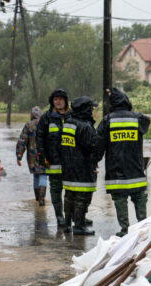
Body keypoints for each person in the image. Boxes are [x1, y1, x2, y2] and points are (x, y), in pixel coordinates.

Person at [95, 88, 150, 237]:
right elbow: (147, 122)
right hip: (135, 167)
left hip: (115, 168)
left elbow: (98, 143)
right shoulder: (138, 118)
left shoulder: (107, 120)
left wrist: (95, 160)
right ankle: (143, 226)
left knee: (120, 199)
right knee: (139, 196)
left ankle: (125, 229)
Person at [61, 96, 98, 235]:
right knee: (83, 198)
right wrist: (94, 164)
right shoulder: (85, 126)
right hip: (82, 169)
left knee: (69, 196)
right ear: (85, 109)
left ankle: (67, 223)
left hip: (68, 167)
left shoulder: (69, 123)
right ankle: (79, 226)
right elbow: (91, 149)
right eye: (91, 108)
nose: (93, 111)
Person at [36, 89, 70, 226]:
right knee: (56, 190)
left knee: (71, 191)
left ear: (65, 101)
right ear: (52, 101)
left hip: (70, 162)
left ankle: (71, 217)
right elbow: (40, 138)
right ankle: (59, 217)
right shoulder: (46, 118)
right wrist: (42, 156)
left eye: (60, 99)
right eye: (55, 99)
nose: (58, 101)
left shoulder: (72, 116)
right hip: (53, 162)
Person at [16, 106, 47, 206]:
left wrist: (19, 156)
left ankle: (37, 199)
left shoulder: (28, 125)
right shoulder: (46, 123)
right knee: (43, 175)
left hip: (32, 156)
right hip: (45, 155)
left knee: (36, 176)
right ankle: (42, 199)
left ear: (32, 114)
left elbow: (22, 141)